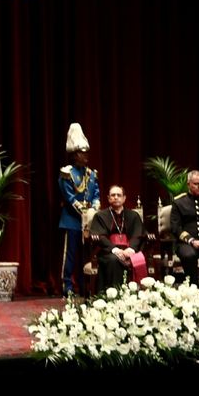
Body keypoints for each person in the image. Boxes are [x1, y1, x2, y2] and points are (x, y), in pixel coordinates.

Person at [57, 123, 98, 300]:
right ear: (75, 155)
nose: (86, 156)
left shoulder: (91, 173)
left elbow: (96, 193)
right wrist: (84, 212)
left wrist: (95, 208)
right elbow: (70, 198)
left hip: (89, 221)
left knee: (86, 254)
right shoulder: (67, 173)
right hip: (72, 219)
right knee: (71, 254)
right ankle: (67, 285)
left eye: (87, 152)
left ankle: (84, 284)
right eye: (82, 153)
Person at [88, 184, 144, 291]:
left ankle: (136, 295)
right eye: (113, 195)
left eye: (119, 195)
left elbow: (138, 234)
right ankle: (115, 294)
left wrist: (131, 249)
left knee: (139, 259)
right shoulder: (100, 216)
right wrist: (115, 250)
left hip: (130, 250)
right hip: (108, 252)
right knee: (114, 260)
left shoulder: (133, 215)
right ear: (108, 198)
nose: (116, 197)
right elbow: (99, 236)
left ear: (124, 198)